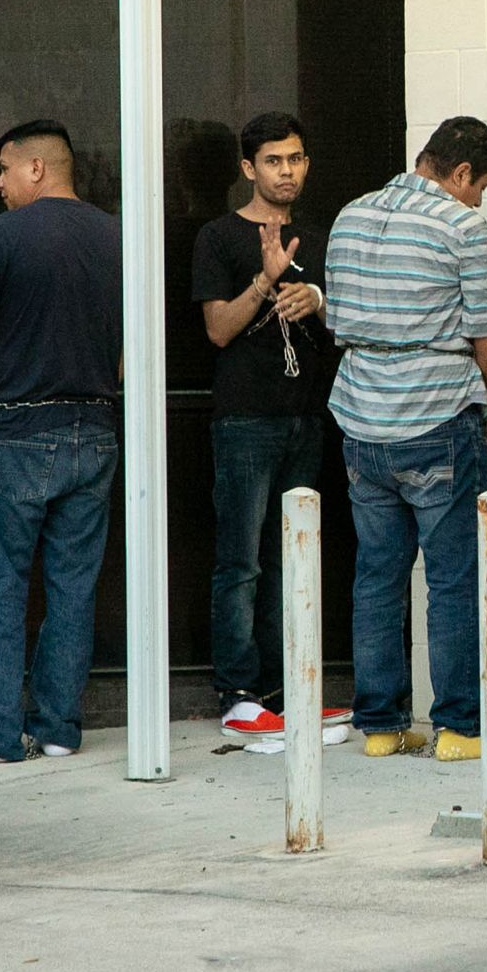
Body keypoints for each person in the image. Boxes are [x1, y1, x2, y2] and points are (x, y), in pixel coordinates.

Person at [324, 116, 487, 763]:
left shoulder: (350, 216)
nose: (479, 198)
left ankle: (380, 725)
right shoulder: (463, 228)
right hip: (436, 417)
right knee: (454, 577)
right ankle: (457, 727)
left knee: (377, 575)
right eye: (481, 185)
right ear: (461, 173)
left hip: (360, 419)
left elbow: (338, 320)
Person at [0, 120, 123, 763]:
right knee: (74, 583)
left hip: (19, 425)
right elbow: (129, 348)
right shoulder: (117, 236)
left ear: (37, 169)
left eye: (5, 170)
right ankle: (58, 729)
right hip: (96, 427)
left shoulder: (1, 237)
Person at [189, 111, 348, 741]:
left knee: (294, 560)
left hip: (309, 418)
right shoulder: (218, 237)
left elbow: (358, 324)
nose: (288, 172)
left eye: (297, 159)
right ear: (248, 169)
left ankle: (290, 689)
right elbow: (218, 328)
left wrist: (320, 302)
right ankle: (238, 692)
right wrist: (266, 281)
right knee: (241, 562)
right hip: (245, 420)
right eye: (275, 161)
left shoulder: (321, 233)